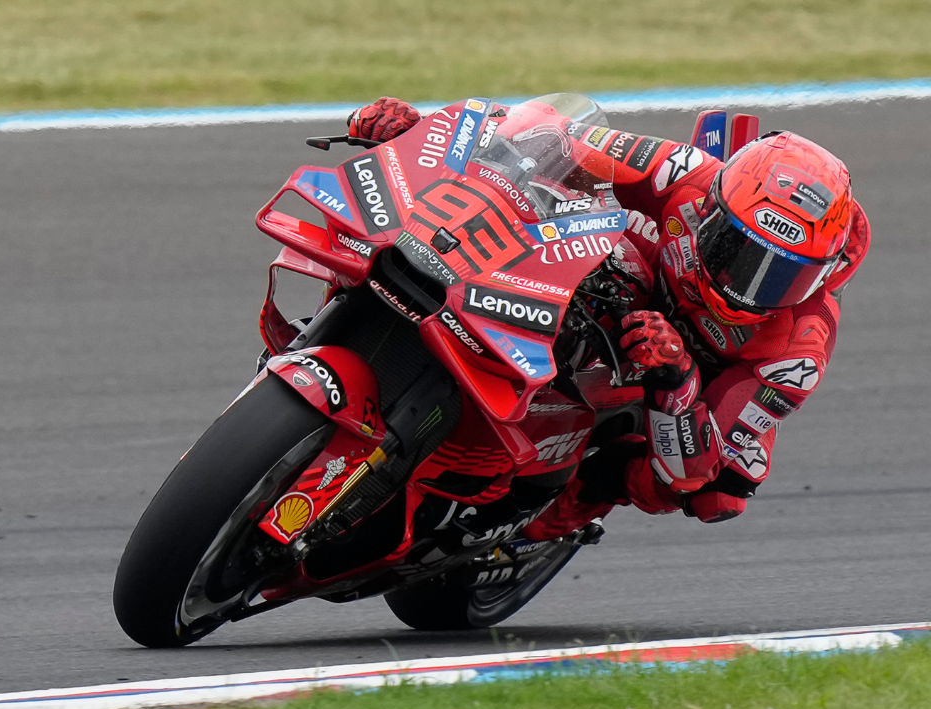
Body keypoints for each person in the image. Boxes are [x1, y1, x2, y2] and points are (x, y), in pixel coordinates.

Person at [339, 97, 870, 530]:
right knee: (550, 192)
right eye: (738, 250)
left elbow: (691, 467)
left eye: (782, 276)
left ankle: (559, 513)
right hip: (629, 276)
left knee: (713, 492)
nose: (744, 286)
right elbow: (555, 137)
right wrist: (423, 132)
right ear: (712, 207)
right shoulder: (687, 174)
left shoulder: (798, 349)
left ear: (823, 275)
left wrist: (677, 376)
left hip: (697, 381)